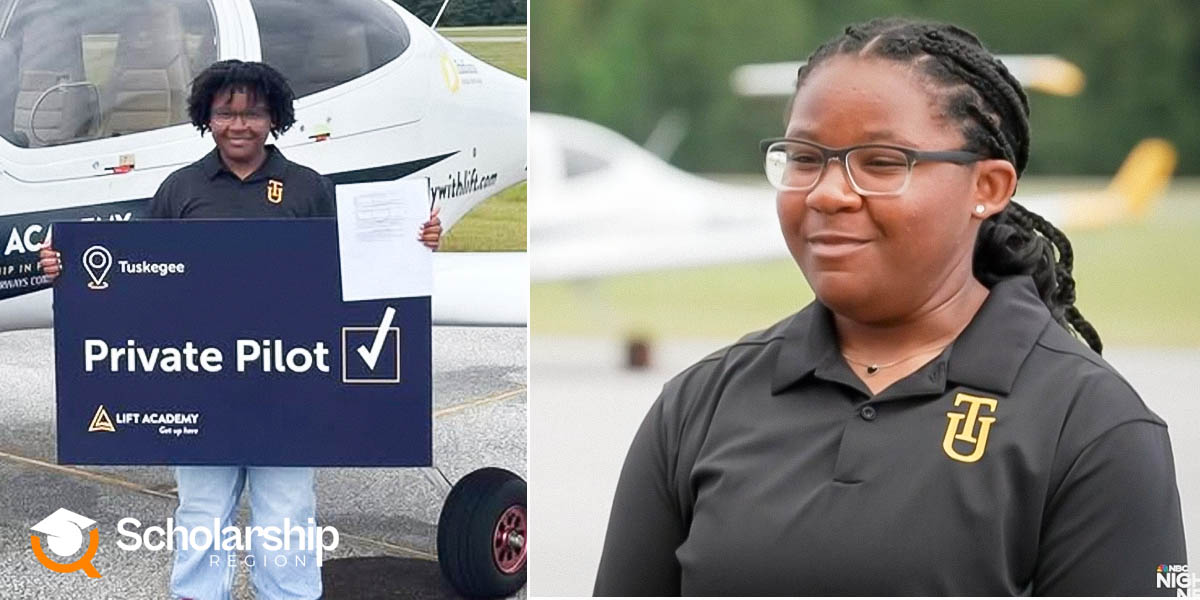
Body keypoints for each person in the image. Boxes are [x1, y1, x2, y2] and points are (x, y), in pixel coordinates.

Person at [593, 18, 1186, 596]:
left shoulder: (1094, 428)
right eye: (804, 158)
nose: (827, 193)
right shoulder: (698, 406)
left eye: (881, 162)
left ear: (987, 187)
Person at [41, 60, 442, 599]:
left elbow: (352, 272)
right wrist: (66, 269)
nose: (238, 125)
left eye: (252, 113)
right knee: (202, 509)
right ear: (206, 118)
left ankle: (290, 594)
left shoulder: (307, 189)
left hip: (289, 384)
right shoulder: (180, 189)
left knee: (288, 510)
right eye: (225, 113)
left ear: (274, 118)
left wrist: (414, 242)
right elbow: (134, 279)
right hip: (201, 384)